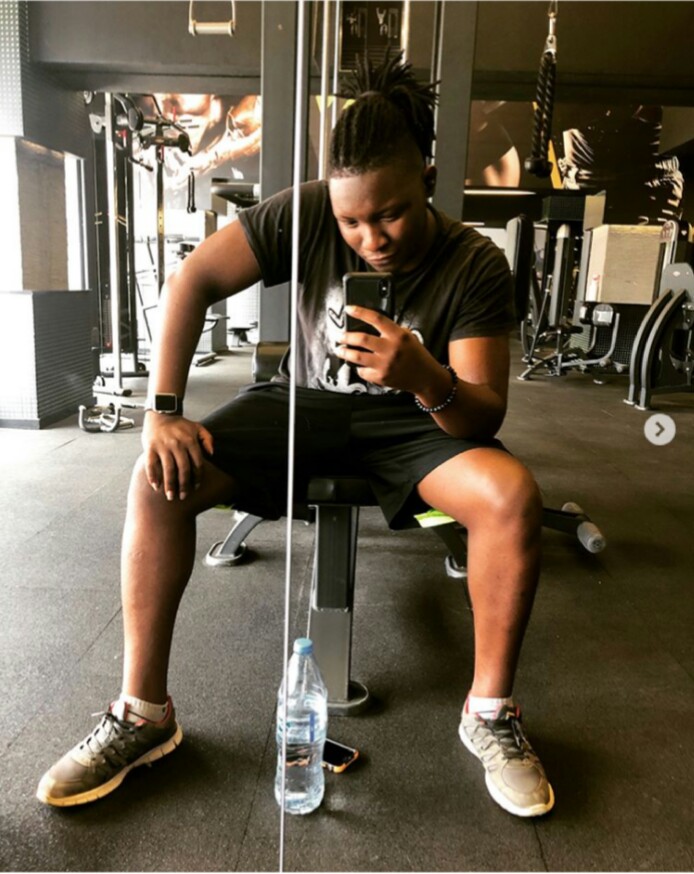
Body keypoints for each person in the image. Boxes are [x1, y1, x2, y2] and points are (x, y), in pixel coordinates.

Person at [37, 54, 554, 818]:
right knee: (158, 480)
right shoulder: (307, 210)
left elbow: (482, 416)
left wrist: (422, 375)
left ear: (428, 180)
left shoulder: (473, 261)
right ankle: (143, 714)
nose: (371, 238)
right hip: (299, 402)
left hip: (415, 419)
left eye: (390, 214)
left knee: (511, 496)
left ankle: (489, 713)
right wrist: (163, 411)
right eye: (352, 221)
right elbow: (192, 281)